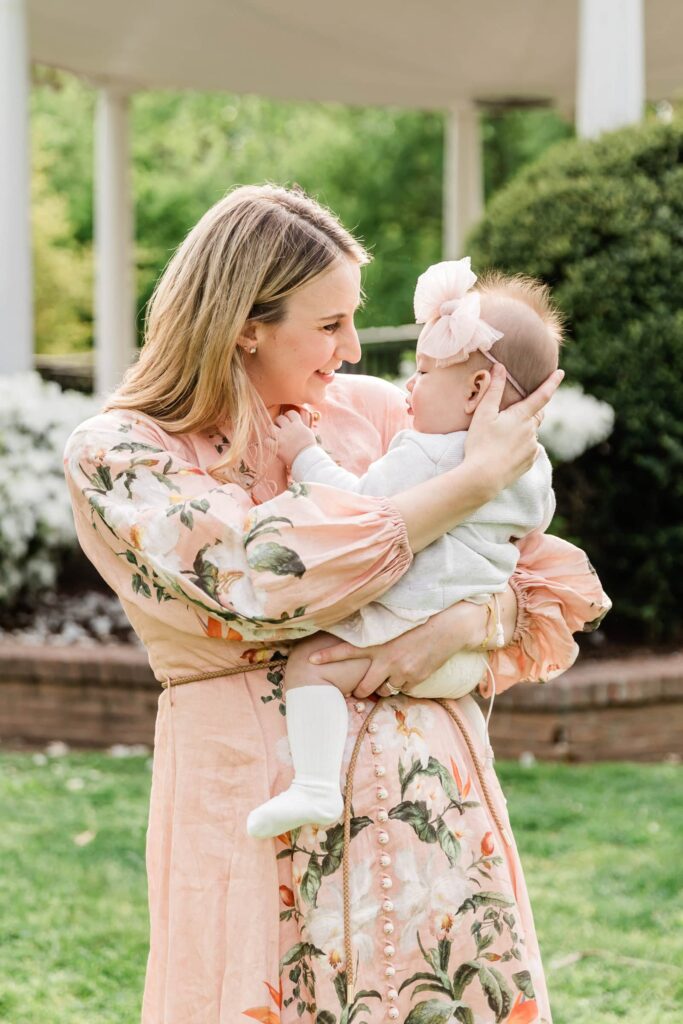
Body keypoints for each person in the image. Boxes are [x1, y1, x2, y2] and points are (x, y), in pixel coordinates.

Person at [63, 184, 610, 1024]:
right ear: (245, 322)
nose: (354, 349)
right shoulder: (122, 454)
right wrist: (469, 482)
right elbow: (264, 581)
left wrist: (467, 623)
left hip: (431, 813)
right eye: (329, 325)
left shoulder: (378, 415)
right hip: (256, 802)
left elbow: (533, 572)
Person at [246, 258, 561, 841]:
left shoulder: (425, 453)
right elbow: (537, 528)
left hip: (400, 628)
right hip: (464, 665)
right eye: (330, 324)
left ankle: (314, 785)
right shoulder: (531, 465)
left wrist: (306, 454)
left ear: (476, 389)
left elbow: (361, 512)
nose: (408, 387)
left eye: (423, 372)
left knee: (310, 665)